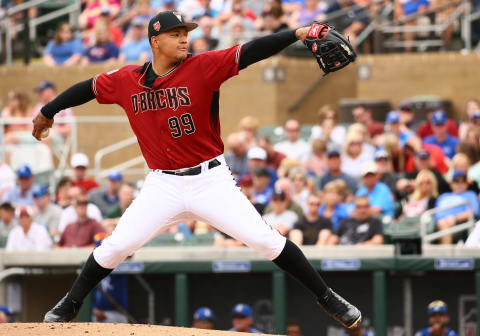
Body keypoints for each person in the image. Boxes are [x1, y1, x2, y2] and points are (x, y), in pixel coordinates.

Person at [34, 11, 361, 328]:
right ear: (155, 41)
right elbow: (87, 88)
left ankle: (327, 297)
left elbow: (250, 51)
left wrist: (296, 34)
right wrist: (48, 111)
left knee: (265, 240)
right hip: (162, 185)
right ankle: (71, 303)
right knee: (116, 246)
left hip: (210, 179)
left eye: (185, 34)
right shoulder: (126, 80)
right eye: (175, 35)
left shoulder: (202, 67)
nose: (183, 40)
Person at [435, 171, 480, 244]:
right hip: (441, 223)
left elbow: (474, 211)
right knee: (442, 224)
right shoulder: (443, 196)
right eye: (456, 181)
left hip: (461, 224)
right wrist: (447, 219)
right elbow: (437, 213)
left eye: (463, 181)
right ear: (451, 184)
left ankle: (445, 253)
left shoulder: (471, 195)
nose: (460, 184)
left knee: (444, 226)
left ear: (466, 184)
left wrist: (455, 218)